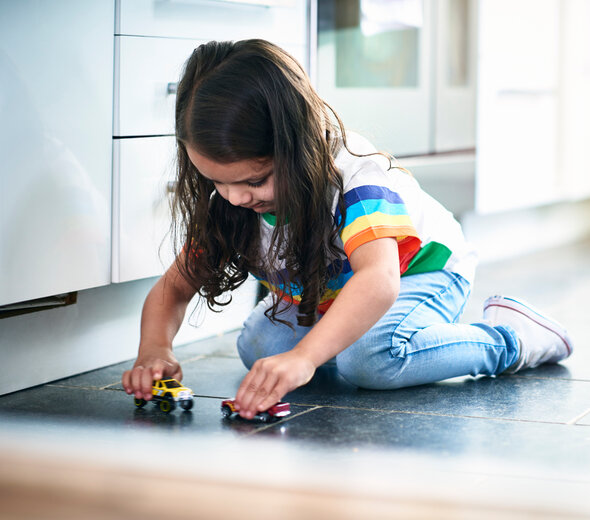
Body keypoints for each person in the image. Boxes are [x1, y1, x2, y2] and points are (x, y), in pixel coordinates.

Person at [122, 39, 573, 420]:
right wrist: (155, 348)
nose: (236, 197)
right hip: (336, 291)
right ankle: (362, 340)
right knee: (260, 349)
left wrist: (305, 357)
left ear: (296, 147)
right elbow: (173, 288)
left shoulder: (357, 179)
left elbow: (378, 281)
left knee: (370, 362)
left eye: (254, 181)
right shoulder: (231, 200)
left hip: (424, 270)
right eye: (216, 181)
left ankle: (511, 339)